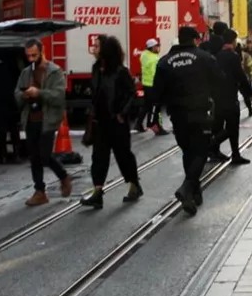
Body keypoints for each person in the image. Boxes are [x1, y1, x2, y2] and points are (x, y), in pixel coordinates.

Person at [154, 25, 222, 215]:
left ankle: (194, 191)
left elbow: (157, 92)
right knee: (200, 151)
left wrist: (153, 115)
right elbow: (219, 81)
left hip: (177, 115)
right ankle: (187, 188)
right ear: (195, 39)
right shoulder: (205, 58)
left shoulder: (164, 62)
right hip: (200, 112)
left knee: (187, 152)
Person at [80, 36, 143, 209]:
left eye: (97, 46)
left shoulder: (120, 71)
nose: (94, 48)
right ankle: (98, 191)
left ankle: (134, 185)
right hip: (100, 121)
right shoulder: (96, 69)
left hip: (116, 121)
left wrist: (122, 113)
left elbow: (131, 93)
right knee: (99, 157)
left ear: (106, 50)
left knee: (123, 155)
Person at [14, 38, 73, 206]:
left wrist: (39, 93)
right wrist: (23, 95)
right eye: (28, 56)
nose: (31, 59)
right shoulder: (26, 73)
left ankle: (63, 176)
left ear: (42, 52)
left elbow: (58, 96)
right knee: (34, 157)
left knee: (45, 155)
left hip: (47, 120)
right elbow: (16, 92)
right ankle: (40, 191)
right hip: (30, 119)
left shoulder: (54, 71)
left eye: (34, 55)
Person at [212, 28, 252, 165]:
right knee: (232, 127)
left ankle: (215, 151)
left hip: (217, 97)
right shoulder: (233, 56)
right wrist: (250, 93)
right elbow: (240, 77)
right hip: (230, 96)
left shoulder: (217, 55)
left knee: (218, 125)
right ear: (234, 41)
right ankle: (232, 153)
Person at [136, 37, 170, 135]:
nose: (158, 48)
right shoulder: (154, 58)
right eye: (156, 46)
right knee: (156, 107)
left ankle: (139, 124)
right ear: (151, 47)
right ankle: (155, 125)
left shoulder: (144, 55)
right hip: (154, 85)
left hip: (147, 84)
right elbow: (156, 73)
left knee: (147, 105)